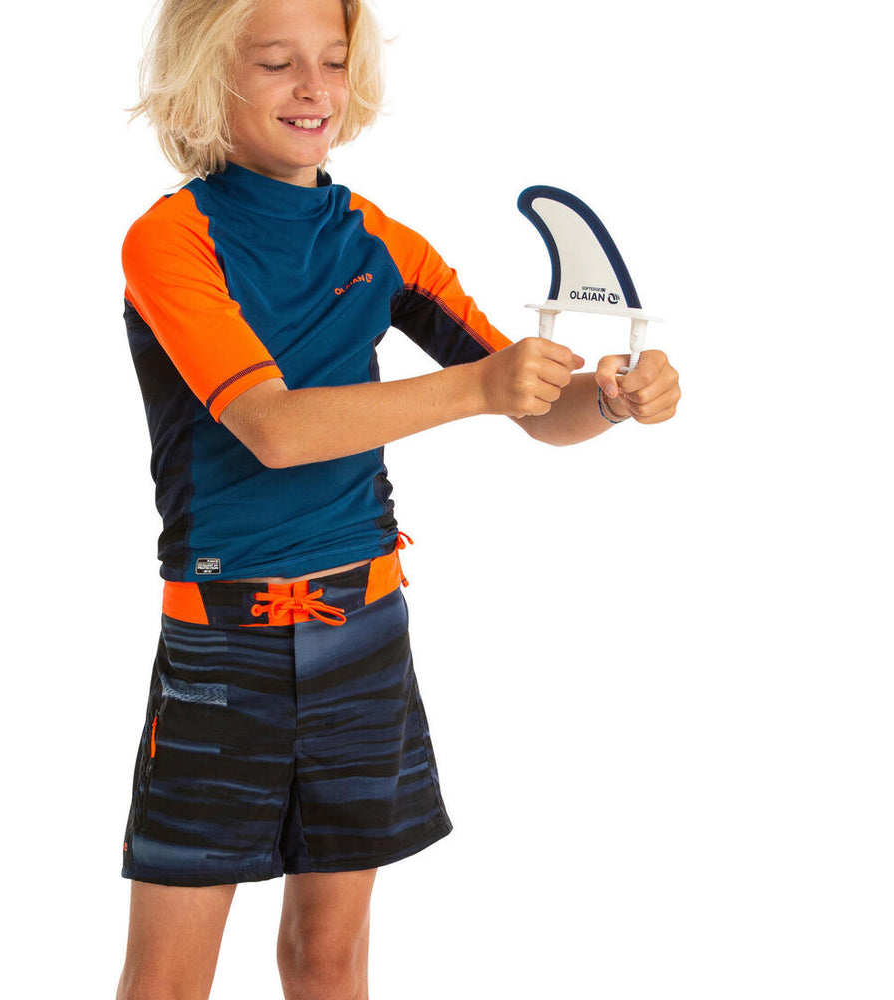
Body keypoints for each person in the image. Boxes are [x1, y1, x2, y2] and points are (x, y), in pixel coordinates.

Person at [116, 0, 681, 997]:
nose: (313, 89)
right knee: (167, 982)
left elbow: (533, 407)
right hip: (225, 643)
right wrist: (482, 388)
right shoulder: (170, 241)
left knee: (328, 957)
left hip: (363, 628)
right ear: (208, 75)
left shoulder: (377, 238)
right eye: (276, 62)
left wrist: (608, 397)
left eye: (333, 61)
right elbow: (274, 428)